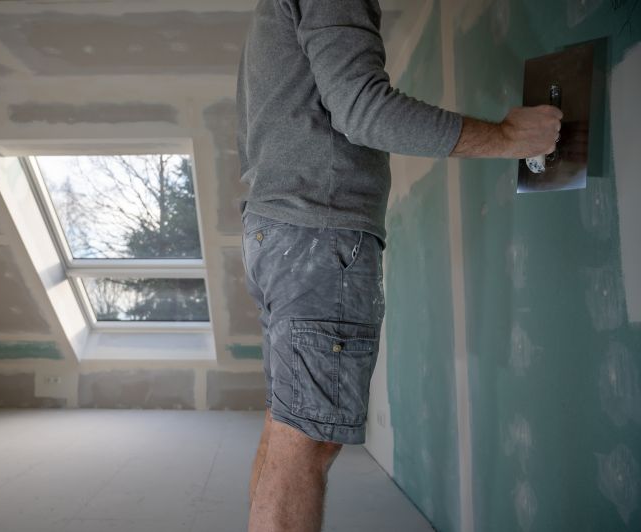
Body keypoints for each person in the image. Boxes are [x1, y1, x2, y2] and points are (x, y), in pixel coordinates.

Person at [235, 1, 562, 531]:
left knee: (288, 429)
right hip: (320, 235)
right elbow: (364, 110)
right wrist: (506, 138)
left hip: (280, 233)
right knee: (306, 440)